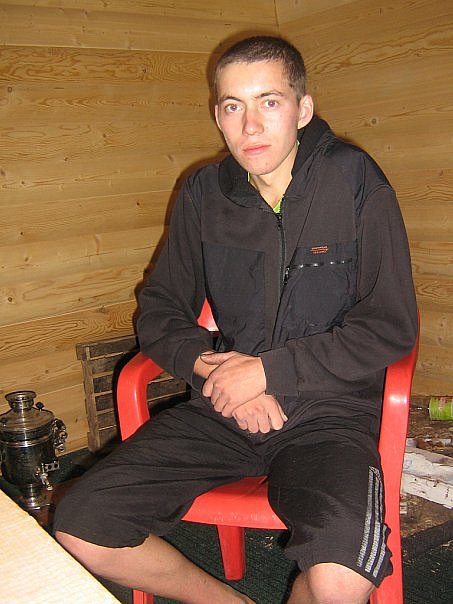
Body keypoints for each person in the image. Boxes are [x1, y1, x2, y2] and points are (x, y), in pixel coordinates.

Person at [54, 36, 418, 603]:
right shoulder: (204, 192)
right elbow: (160, 309)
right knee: (81, 525)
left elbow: (388, 324)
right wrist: (218, 373)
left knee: (341, 580)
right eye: (232, 105)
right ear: (217, 115)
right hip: (224, 408)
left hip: (331, 413)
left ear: (303, 109)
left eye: (269, 102)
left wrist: (267, 373)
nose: (250, 126)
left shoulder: (354, 179)